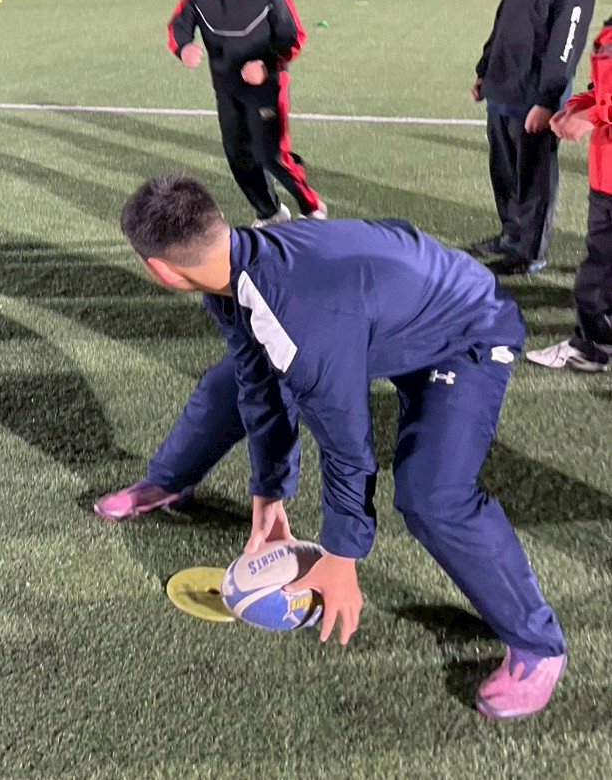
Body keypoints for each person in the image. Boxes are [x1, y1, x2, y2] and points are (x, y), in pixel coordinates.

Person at [99, 174, 566, 720]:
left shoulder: (300, 322)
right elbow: (257, 381)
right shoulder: (233, 264)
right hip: (385, 312)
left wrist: (342, 556)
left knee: (432, 495)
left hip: (468, 333)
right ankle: (167, 482)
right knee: (228, 385)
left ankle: (538, 644)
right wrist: (269, 493)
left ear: (160, 270)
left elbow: (348, 444)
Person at [469, 0, 596, 276]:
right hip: (502, 91)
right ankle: (511, 235)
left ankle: (530, 252)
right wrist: (484, 70)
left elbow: (566, 46)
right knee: (504, 173)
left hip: (535, 99)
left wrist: (547, 101)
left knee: (534, 179)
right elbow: (502, 23)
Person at [167, 0, 326, 227]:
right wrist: (184, 48)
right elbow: (179, 26)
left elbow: (293, 38)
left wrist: (266, 66)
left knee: (272, 155)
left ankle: (311, 206)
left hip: (267, 89)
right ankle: (269, 212)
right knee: (238, 156)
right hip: (226, 90)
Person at [527, 0, 612, 370]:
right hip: (604, 176)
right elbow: (602, 90)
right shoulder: (610, 30)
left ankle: (592, 348)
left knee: (596, 278)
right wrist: (575, 106)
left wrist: (591, 117)